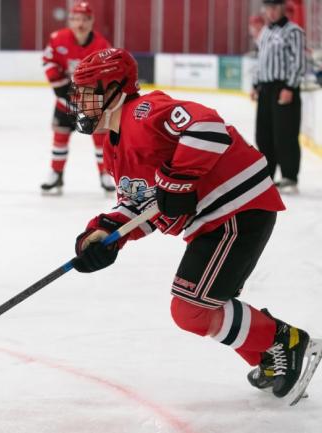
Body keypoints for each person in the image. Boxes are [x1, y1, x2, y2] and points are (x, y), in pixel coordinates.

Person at [68, 47, 317, 399]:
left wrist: (178, 179)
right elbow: (143, 207)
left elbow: (209, 126)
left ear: (113, 90)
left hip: (236, 209)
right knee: (203, 303)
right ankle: (269, 355)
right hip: (218, 218)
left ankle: (284, 341)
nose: (79, 101)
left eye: (87, 92)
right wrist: (105, 234)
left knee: (191, 308)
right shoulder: (113, 143)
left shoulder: (143, 111)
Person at [40, 1, 112, 195]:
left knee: (100, 138)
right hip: (64, 100)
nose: (80, 24)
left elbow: (108, 72)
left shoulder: (101, 45)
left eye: (85, 19)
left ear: (91, 21)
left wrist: (96, 93)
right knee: (60, 136)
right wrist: (61, 88)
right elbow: (48, 61)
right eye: (76, 19)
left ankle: (105, 174)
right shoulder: (58, 39)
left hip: (90, 100)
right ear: (70, 21)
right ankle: (56, 173)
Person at [252, 0, 305, 194]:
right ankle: (267, 176)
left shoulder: (294, 31)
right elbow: (261, 60)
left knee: (285, 133)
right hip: (265, 89)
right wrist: (256, 84)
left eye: (275, 8)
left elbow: (299, 62)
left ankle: (290, 177)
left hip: (283, 87)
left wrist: (290, 87)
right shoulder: (265, 31)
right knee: (263, 134)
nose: (271, 12)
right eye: (268, 8)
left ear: (282, 8)